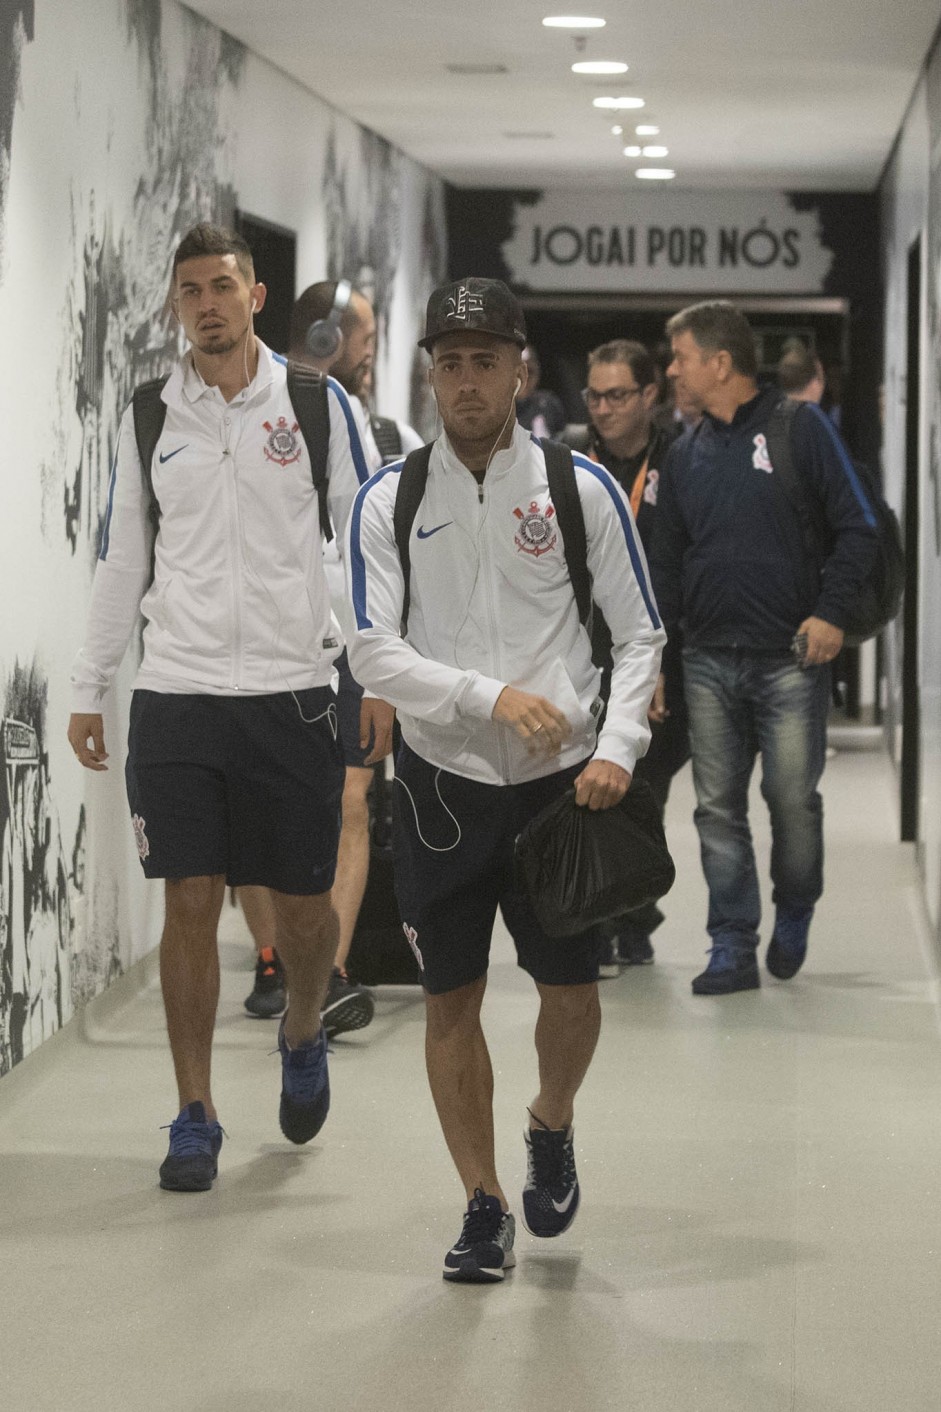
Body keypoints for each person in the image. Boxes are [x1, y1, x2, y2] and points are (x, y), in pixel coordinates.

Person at [346, 277, 664, 1283]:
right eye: (450, 361)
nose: (467, 380)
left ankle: (551, 1117)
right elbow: (370, 651)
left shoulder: (577, 488)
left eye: (485, 359)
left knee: (567, 990)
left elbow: (638, 632)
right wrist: (486, 696)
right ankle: (481, 1200)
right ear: (430, 372)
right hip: (440, 785)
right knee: (451, 998)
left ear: (519, 366)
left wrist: (614, 744)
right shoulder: (390, 496)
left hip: (560, 789)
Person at [67, 223, 385, 1192]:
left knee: (302, 907)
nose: (206, 302)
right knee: (190, 900)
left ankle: (301, 1028)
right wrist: (89, 682)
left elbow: (366, 543)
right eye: (190, 288)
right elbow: (127, 553)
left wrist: (375, 672)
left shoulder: (316, 405)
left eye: (223, 285)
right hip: (179, 690)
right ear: (175, 304)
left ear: (254, 295)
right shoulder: (152, 413)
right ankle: (195, 1108)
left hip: (291, 689)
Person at [650, 301, 879, 996]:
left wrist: (831, 613)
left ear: (719, 364)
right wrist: (657, 662)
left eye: (680, 358)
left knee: (788, 800)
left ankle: (796, 904)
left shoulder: (798, 429)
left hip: (790, 658)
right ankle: (730, 944)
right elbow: (662, 567)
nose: (671, 371)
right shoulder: (681, 452)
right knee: (716, 809)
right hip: (706, 659)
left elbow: (859, 527)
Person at [240, 280, 394, 1036]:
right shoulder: (275, 405)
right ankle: (277, 959)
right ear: (332, 337)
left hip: (343, 644)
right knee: (261, 806)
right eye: (364, 335)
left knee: (351, 800)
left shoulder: (343, 411)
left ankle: (327, 971)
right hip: (264, 643)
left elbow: (369, 530)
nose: (369, 350)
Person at [583, 339, 690, 967]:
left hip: (665, 658)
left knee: (644, 794)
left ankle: (634, 913)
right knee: (590, 788)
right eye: (594, 396)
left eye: (617, 395)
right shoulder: (569, 460)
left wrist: (657, 664)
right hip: (588, 655)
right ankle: (599, 919)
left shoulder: (684, 462)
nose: (603, 408)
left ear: (650, 396)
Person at [515, 344, 567, 439]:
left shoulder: (549, 403)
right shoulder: (497, 410)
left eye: (529, 372)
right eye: (518, 373)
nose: (524, 379)